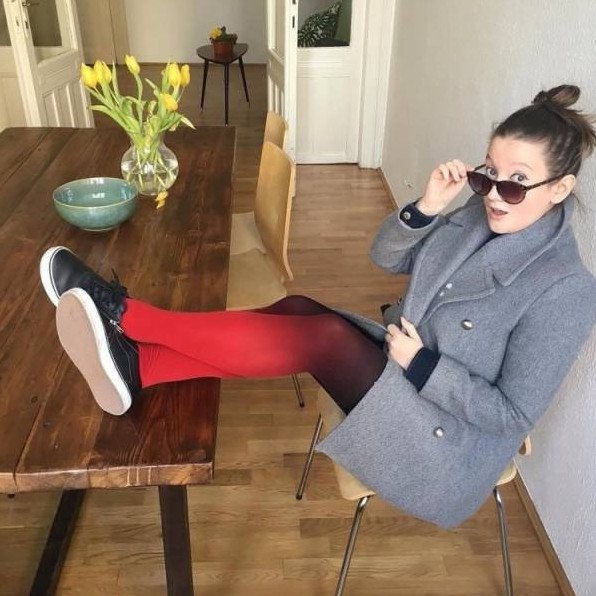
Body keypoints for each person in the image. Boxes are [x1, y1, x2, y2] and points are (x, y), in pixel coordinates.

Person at [39, 84, 596, 528]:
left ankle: (126, 315)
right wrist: (426, 207)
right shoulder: (479, 214)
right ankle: (141, 365)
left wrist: (423, 365)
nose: (494, 192)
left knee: (322, 338)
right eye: (488, 172)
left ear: (560, 188)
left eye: (517, 182)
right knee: (299, 306)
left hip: (444, 441)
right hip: (402, 368)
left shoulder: (566, 289)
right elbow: (385, 256)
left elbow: (511, 416)